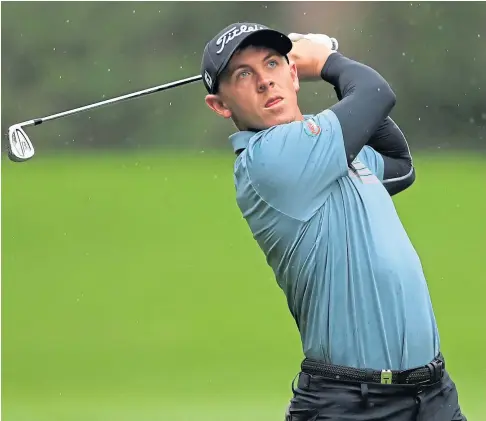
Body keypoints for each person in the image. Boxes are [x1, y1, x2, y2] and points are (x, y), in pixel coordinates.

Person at [200, 22, 466, 421]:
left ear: (291, 75)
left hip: (431, 396)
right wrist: (327, 60)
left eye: (272, 64)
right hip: (351, 403)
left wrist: (329, 71)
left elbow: (398, 164)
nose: (264, 82)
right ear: (220, 106)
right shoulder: (269, 158)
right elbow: (376, 94)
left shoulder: (330, 152)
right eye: (243, 74)